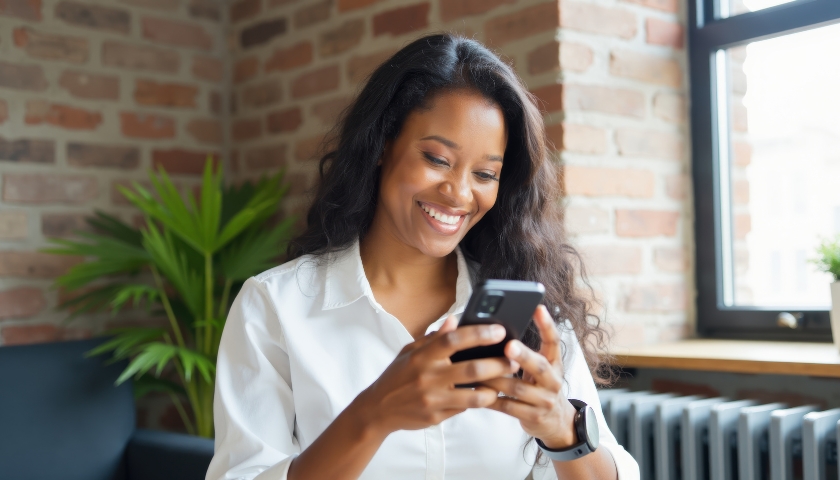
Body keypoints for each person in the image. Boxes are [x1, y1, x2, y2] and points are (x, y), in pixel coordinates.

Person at [206, 34, 640, 480]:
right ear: (380, 146)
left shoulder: (531, 314)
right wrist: (373, 415)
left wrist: (561, 428)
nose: (459, 193)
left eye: (485, 173)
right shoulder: (275, 308)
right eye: (436, 158)